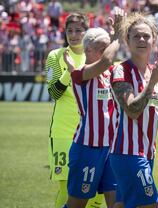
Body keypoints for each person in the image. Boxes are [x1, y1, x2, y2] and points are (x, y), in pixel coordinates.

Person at [109, 13, 158, 208]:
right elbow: (132, 110)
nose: (142, 40)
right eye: (136, 36)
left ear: (154, 40)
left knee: (123, 205)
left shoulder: (157, 74)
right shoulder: (121, 70)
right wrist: (151, 83)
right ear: (127, 40)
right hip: (127, 152)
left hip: (147, 152)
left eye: (146, 36)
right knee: (151, 203)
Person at [45, 13, 104, 208]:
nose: (74, 35)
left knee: (96, 194)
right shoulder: (55, 56)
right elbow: (53, 93)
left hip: (92, 133)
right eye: (69, 30)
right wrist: (70, 73)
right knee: (67, 191)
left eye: (79, 30)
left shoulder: (98, 56)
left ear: (87, 31)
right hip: (63, 132)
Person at [62, 26, 121, 208]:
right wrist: (117, 35)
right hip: (88, 148)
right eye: (101, 49)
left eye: (106, 48)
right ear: (88, 50)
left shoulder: (109, 74)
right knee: (76, 204)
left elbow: (106, 62)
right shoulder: (81, 73)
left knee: (119, 203)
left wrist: (111, 36)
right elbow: (106, 61)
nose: (106, 53)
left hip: (111, 149)